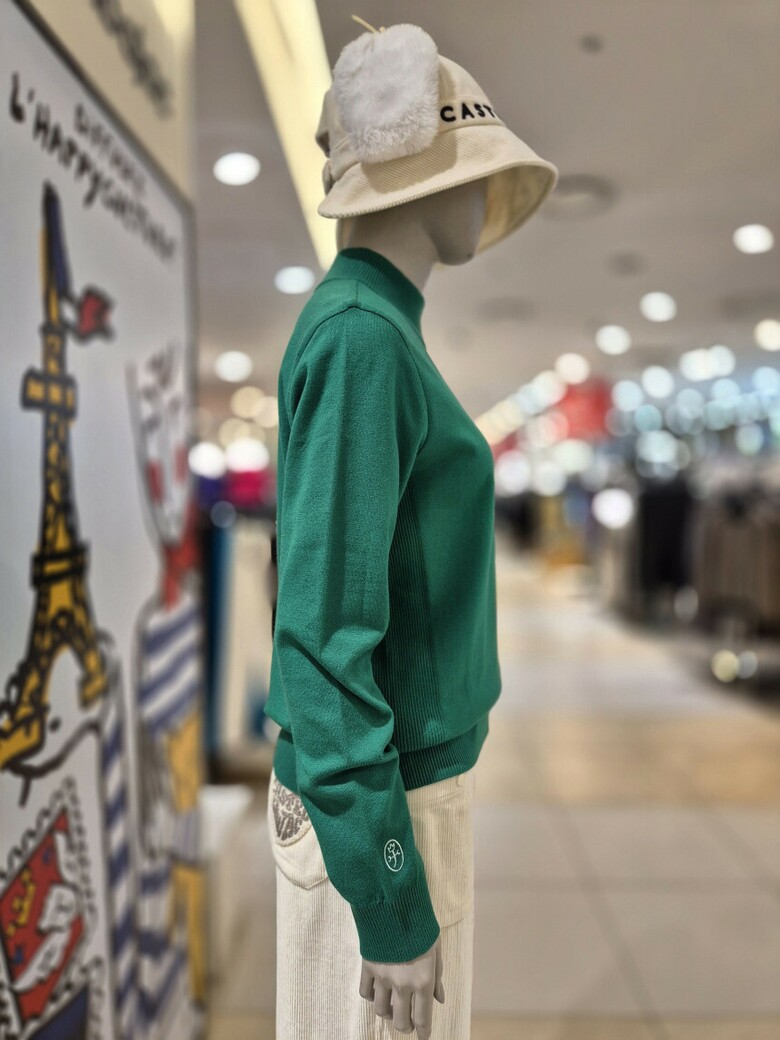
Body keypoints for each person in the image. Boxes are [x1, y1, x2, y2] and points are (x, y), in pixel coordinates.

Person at [265, 21, 558, 1040]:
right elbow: (321, 634)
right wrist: (389, 887)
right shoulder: (363, 337)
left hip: (392, 790)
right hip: (389, 803)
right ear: (414, 172)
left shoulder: (374, 327)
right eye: (470, 167)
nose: (484, 192)